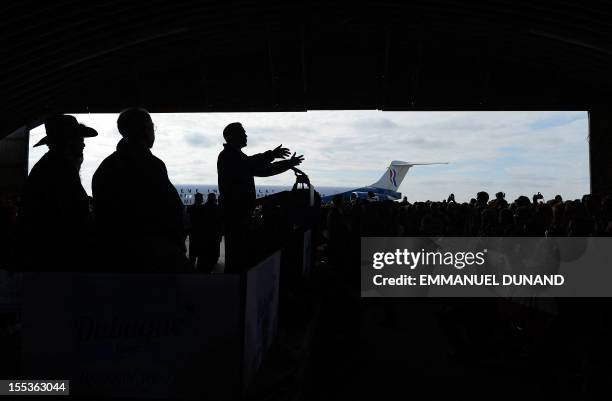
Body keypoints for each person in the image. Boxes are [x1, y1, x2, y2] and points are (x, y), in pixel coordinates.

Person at [92, 108, 189, 272]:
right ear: (145, 129)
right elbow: (172, 214)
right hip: (150, 259)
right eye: (152, 127)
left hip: (114, 259)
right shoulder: (152, 165)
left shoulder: (105, 167)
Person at [217, 122, 303, 272]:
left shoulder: (235, 156)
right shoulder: (228, 156)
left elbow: (265, 170)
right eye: (242, 132)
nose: (246, 135)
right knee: (237, 261)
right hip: (237, 217)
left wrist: (287, 164)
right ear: (232, 136)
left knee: (238, 260)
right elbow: (254, 166)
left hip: (239, 217)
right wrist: (272, 155)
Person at [18, 115, 98, 270]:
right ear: (68, 142)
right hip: (56, 260)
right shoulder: (62, 170)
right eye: (80, 140)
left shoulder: (49, 166)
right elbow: (74, 219)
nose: (83, 145)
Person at [188, 193, 223, 272]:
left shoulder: (197, 208)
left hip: (197, 233)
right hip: (212, 234)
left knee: (194, 251)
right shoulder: (217, 208)